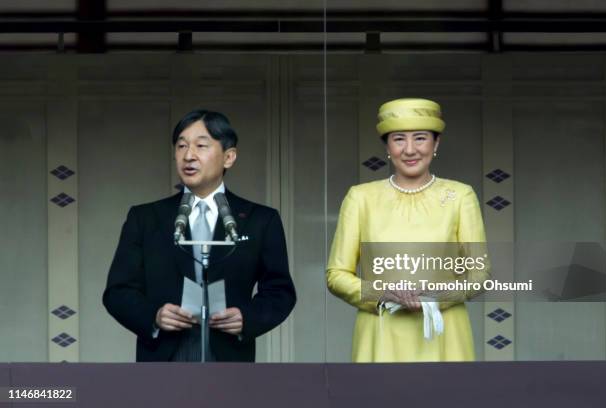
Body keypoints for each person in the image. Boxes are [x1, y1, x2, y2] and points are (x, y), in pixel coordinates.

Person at [103, 109, 296, 362]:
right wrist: (154, 316)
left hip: (230, 357)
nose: (188, 155)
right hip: (164, 357)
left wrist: (247, 318)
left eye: (201, 146)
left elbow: (280, 291)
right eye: (181, 146)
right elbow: (118, 291)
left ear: (228, 157)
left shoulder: (261, 220)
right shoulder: (146, 218)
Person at [326, 98, 489, 362]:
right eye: (399, 139)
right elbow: (336, 274)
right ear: (388, 146)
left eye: (421, 138)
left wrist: (434, 297)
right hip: (380, 333)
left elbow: (479, 274)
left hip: (444, 335)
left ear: (436, 144)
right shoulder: (360, 198)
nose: (410, 149)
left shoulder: (460, 196)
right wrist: (382, 293)